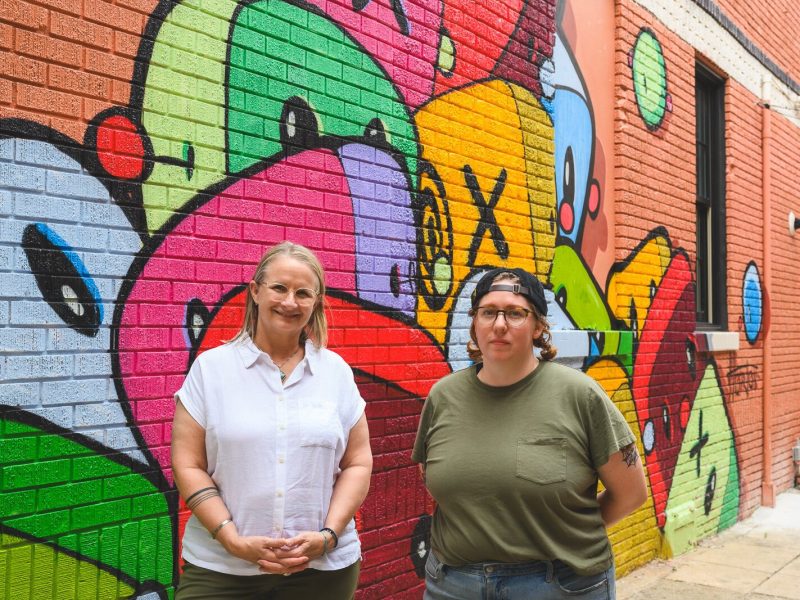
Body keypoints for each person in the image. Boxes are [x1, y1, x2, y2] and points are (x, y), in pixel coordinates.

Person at [412, 267, 647, 600]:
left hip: (560, 585)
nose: (499, 324)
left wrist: (568, 534)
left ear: (538, 327)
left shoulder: (580, 395)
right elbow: (435, 480)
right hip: (453, 585)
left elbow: (631, 493)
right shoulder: (442, 397)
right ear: (475, 323)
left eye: (515, 313)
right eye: (488, 312)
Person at [171, 241, 372, 599]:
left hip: (321, 570)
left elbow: (357, 462)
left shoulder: (336, 373)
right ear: (256, 291)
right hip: (222, 567)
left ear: (316, 302)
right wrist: (231, 540)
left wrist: (328, 536)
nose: (290, 302)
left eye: (303, 293)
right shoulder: (211, 369)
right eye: (279, 288)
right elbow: (188, 464)